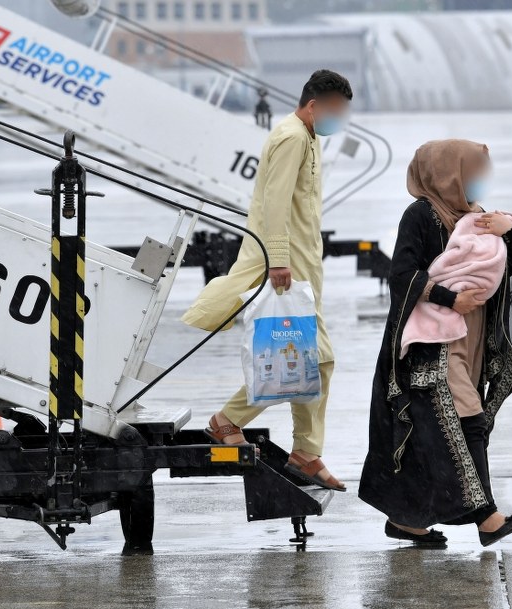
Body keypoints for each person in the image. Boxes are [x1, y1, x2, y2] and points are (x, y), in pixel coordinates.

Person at [181, 69, 352, 492]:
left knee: (308, 361)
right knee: (312, 360)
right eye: (334, 111)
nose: (338, 120)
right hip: (284, 268)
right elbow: (275, 202)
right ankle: (240, 425)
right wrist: (278, 260)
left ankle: (301, 450)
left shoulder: (306, 136)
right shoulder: (293, 136)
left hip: (302, 267)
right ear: (314, 105)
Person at [359, 139, 512, 546]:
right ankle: (487, 517)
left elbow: (502, 266)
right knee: (467, 417)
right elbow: (402, 274)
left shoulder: (477, 216)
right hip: (432, 342)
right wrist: (450, 298)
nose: (478, 182)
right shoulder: (420, 215)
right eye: (471, 173)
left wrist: (509, 234)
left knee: (432, 431)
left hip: (470, 335)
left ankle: (407, 521)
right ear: (447, 173)